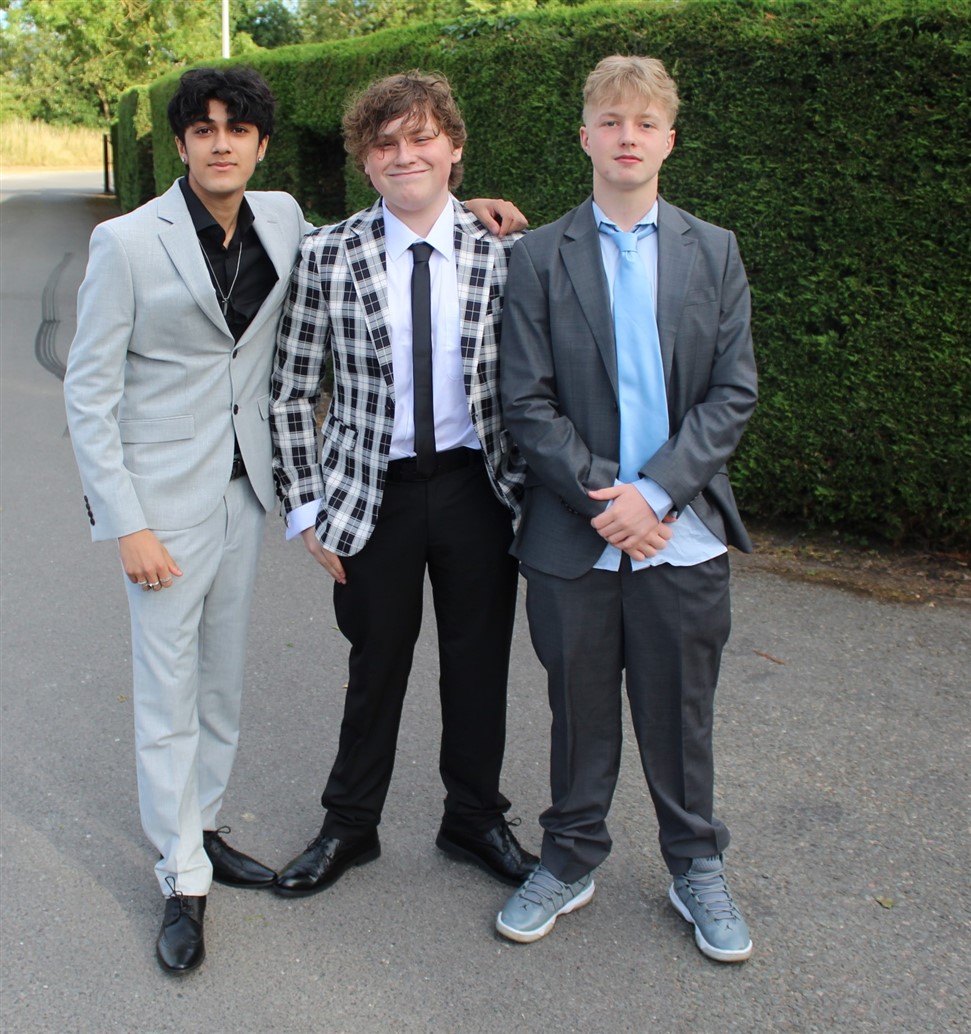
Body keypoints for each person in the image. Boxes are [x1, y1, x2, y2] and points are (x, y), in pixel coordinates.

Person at [63, 65, 524, 974]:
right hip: (178, 501)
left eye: (236, 130)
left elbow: (404, 220)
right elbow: (93, 392)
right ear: (181, 142)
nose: (220, 143)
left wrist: (472, 209)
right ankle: (187, 871)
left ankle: (220, 827)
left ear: (262, 145)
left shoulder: (284, 221)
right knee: (175, 683)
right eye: (203, 129)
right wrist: (128, 520)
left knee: (224, 679)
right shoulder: (131, 242)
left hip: (290, 492)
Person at [495, 55, 758, 963]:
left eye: (644, 123)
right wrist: (605, 496)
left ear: (668, 141)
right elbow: (524, 400)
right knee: (577, 712)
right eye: (610, 121)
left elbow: (731, 393)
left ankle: (696, 866)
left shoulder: (713, 250)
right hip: (575, 532)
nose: (627, 137)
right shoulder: (536, 256)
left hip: (680, 531)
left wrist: (653, 494)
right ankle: (567, 859)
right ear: (585, 137)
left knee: (679, 715)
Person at [270, 71, 538, 898]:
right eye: (383, 143)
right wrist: (306, 508)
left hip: (477, 490)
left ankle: (474, 819)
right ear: (364, 160)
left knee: (477, 665)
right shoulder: (325, 254)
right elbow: (290, 391)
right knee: (375, 663)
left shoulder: (505, 251)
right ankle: (350, 825)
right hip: (369, 496)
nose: (403, 155)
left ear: (453, 148)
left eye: (421, 137)